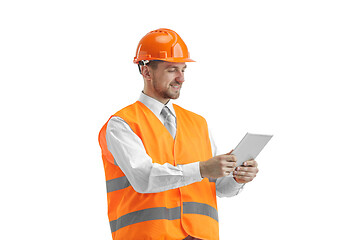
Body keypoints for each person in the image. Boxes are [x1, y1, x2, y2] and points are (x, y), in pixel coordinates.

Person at [98, 28, 259, 240]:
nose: (181, 78)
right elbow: (144, 178)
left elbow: (219, 188)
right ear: (146, 72)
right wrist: (202, 168)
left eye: (183, 69)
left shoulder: (198, 124)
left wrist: (237, 178)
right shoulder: (122, 124)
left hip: (202, 236)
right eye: (172, 69)